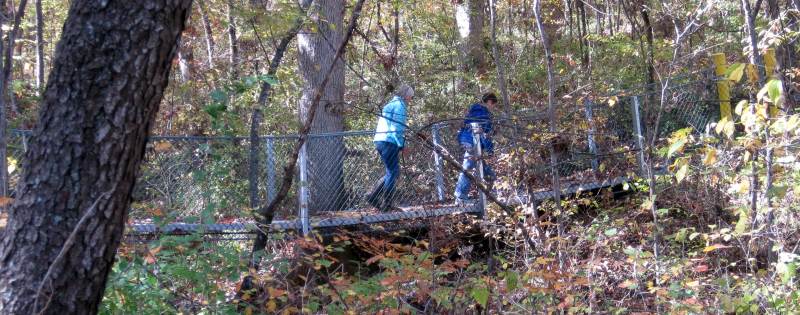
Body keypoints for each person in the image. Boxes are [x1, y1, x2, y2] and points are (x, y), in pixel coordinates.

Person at [367, 84, 413, 211]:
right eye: (411, 97)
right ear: (406, 96)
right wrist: (402, 145)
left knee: (392, 172)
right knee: (393, 172)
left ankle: (373, 196)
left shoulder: (390, 104)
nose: (411, 100)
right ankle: (386, 204)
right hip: (389, 141)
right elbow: (396, 127)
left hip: (380, 140)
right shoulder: (400, 106)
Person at [454, 92, 497, 203]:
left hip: (468, 141)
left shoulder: (475, 111)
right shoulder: (482, 114)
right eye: (493, 104)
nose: (493, 108)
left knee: (482, 167)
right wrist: (490, 150)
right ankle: (460, 196)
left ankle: (495, 191)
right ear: (489, 102)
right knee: (468, 167)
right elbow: (482, 134)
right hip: (472, 143)